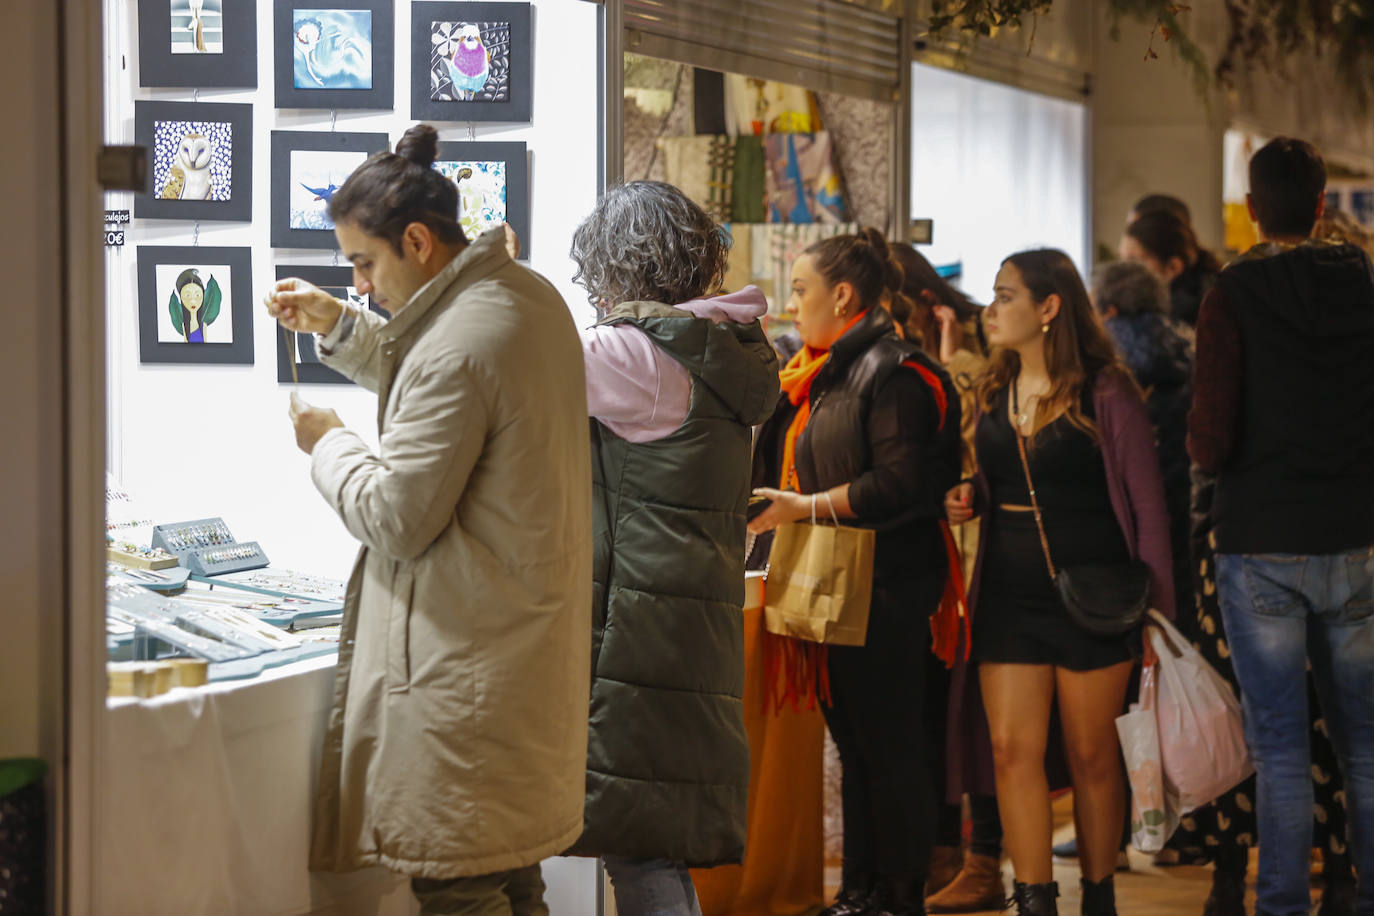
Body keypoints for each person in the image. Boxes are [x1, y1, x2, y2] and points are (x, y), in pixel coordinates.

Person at [263, 124, 593, 916]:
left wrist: (329, 445)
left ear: (417, 240)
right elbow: (446, 373)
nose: (363, 284)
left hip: (465, 673)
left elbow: (396, 515)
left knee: (461, 887)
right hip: (513, 659)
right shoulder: (526, 298)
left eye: (364, 264)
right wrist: (340, 325)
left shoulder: (461, 342)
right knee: (512, 876)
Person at [560, 181, 780, 916]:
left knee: (641, 848)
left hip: (642, 630)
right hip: (684, 619)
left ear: (616, 268)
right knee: (650, 839)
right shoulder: (717, 348)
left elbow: (503, 368)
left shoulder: (633, 358)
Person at [944, 250, 1174, 916]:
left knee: (1090, 753)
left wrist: (1159, 615)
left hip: (1096, 597)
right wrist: (969, 495)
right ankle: (1035, 898)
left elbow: (1149, 505)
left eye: (1005, 295)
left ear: (1048, 308)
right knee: (1013, 749)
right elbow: (1000, 480)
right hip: (1009, 594)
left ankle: (1098, 895)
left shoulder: (1107, 391)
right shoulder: (994, 387)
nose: (990, 309)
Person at [749, 228, 963, 916]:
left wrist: (803, 506)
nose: (792, 301)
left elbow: (900, 485)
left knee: (891, 745)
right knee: (857, 745)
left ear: (843, 296)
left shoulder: (897, 373)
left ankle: (901, 897)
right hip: (836, 580)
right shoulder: (821, 369)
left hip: (889, 584)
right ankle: (863, 890)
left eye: (803, 288)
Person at [1188, 136, 1374, 916]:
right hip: (1357, 536)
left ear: (1253, 211)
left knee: (1281, 749)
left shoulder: (1232, 292)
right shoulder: (1364, 283)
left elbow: (1211, 433)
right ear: (1325, 204)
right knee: (1364, 743)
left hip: (1260, 540)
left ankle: (1284, 906)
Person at [883, 244, 1004, 914]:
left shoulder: (977, 343)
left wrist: (956, 361)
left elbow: (973, 445)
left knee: (968, 711)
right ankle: (943, 853)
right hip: (934, 549)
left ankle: (973, 857)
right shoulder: (902, 355)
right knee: (932, 710)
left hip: (979, 551)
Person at [1091, 261, 1193, 624]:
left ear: (1108, 308)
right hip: (1185, 489)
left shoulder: (1103, 358)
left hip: (1127, 497)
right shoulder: (1187, 342)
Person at [1119, 210, 1222, 328]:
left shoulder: (1175, 321)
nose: (1121, 271)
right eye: (1122, 259)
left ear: (1173, 267)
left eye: (1134, 262)